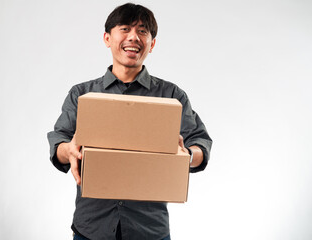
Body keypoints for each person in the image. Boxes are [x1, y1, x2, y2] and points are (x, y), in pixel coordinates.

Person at [47, 3, 212, 240]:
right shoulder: (82, 94)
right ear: (107, 38)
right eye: (125, 28)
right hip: (91, 228)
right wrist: (69, 150)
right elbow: (59, 141)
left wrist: (185, 154)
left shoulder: (171, 96)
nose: (133, 37)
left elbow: (200, 143)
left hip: (149, 229)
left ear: (152, 44)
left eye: (143, 31)